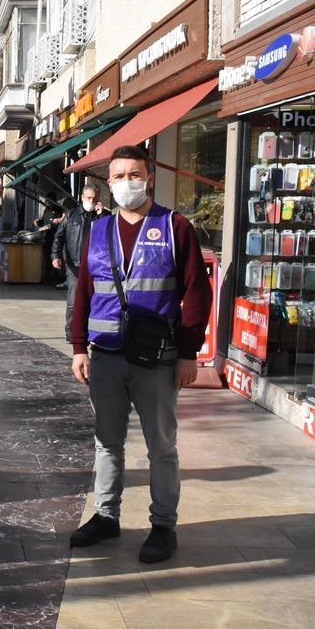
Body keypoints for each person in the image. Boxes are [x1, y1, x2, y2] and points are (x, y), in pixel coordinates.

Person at [68, 146, 212, 565]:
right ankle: (106, 516)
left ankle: (163, 526)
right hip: (107, 355)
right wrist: (79, 347)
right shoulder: (98, 230)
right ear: (107, 183)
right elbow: (84, 293)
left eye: (134, 174)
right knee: (106, 443)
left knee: (161, 448)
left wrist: (189, 354)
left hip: (158, 359)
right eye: (118, 176)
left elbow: (196, 295)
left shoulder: (175, 226)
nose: (126, 182)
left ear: (148, 178)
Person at [52, 185, 108, 341]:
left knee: (95, 299)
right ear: (82, 198)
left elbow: (109, 234)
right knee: (74, 301)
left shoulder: (103, 216)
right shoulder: (71, 215)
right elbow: (59, 237)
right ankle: (71, 332)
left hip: (96, 265)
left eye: (95, 198)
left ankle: (92, 331)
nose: (92, 201)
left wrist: (102, 214)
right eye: (89, 198)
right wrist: (55, 255)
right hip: (74, 264)